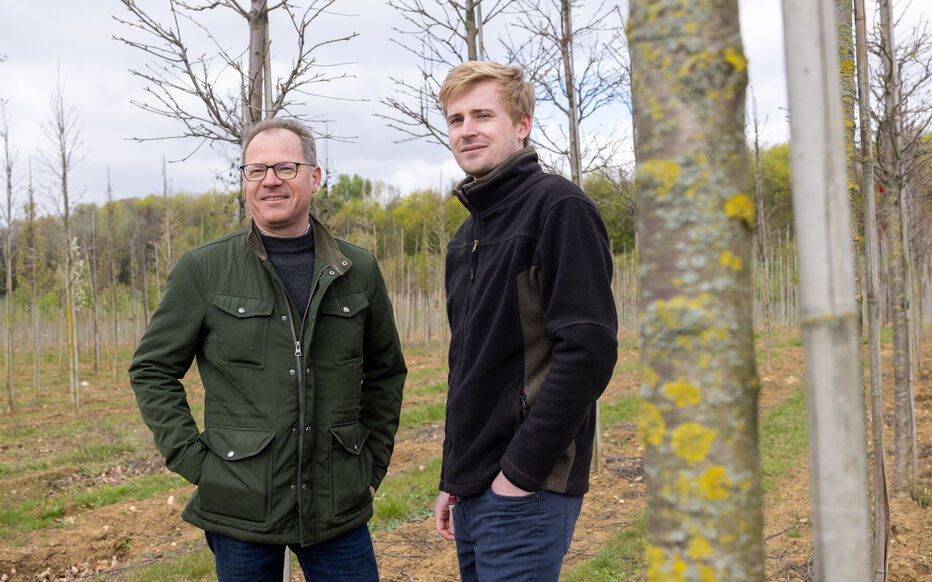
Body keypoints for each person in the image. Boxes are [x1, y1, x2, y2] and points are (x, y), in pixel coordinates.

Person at [129, 118, 406, 582]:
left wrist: (370, 466)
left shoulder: (357, 269)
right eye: (255, 170)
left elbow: (385, 372)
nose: (270, 180)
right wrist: (199, 464)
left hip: (337, 504)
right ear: (244, 182)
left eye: (285, 167)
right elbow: (152, 369)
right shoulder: (204, 269)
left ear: (314, 177)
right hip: (240, 507)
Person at [433, 61, 618, 581]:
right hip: (476, 487)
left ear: (522, 124)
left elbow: (589, 350)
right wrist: (455, 475)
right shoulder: (466, 233)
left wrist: (517, 475)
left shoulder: (558, 207)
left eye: (482, 115)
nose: (466, 129)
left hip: (525, 490)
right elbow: (468, 366)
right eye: (456, 119)